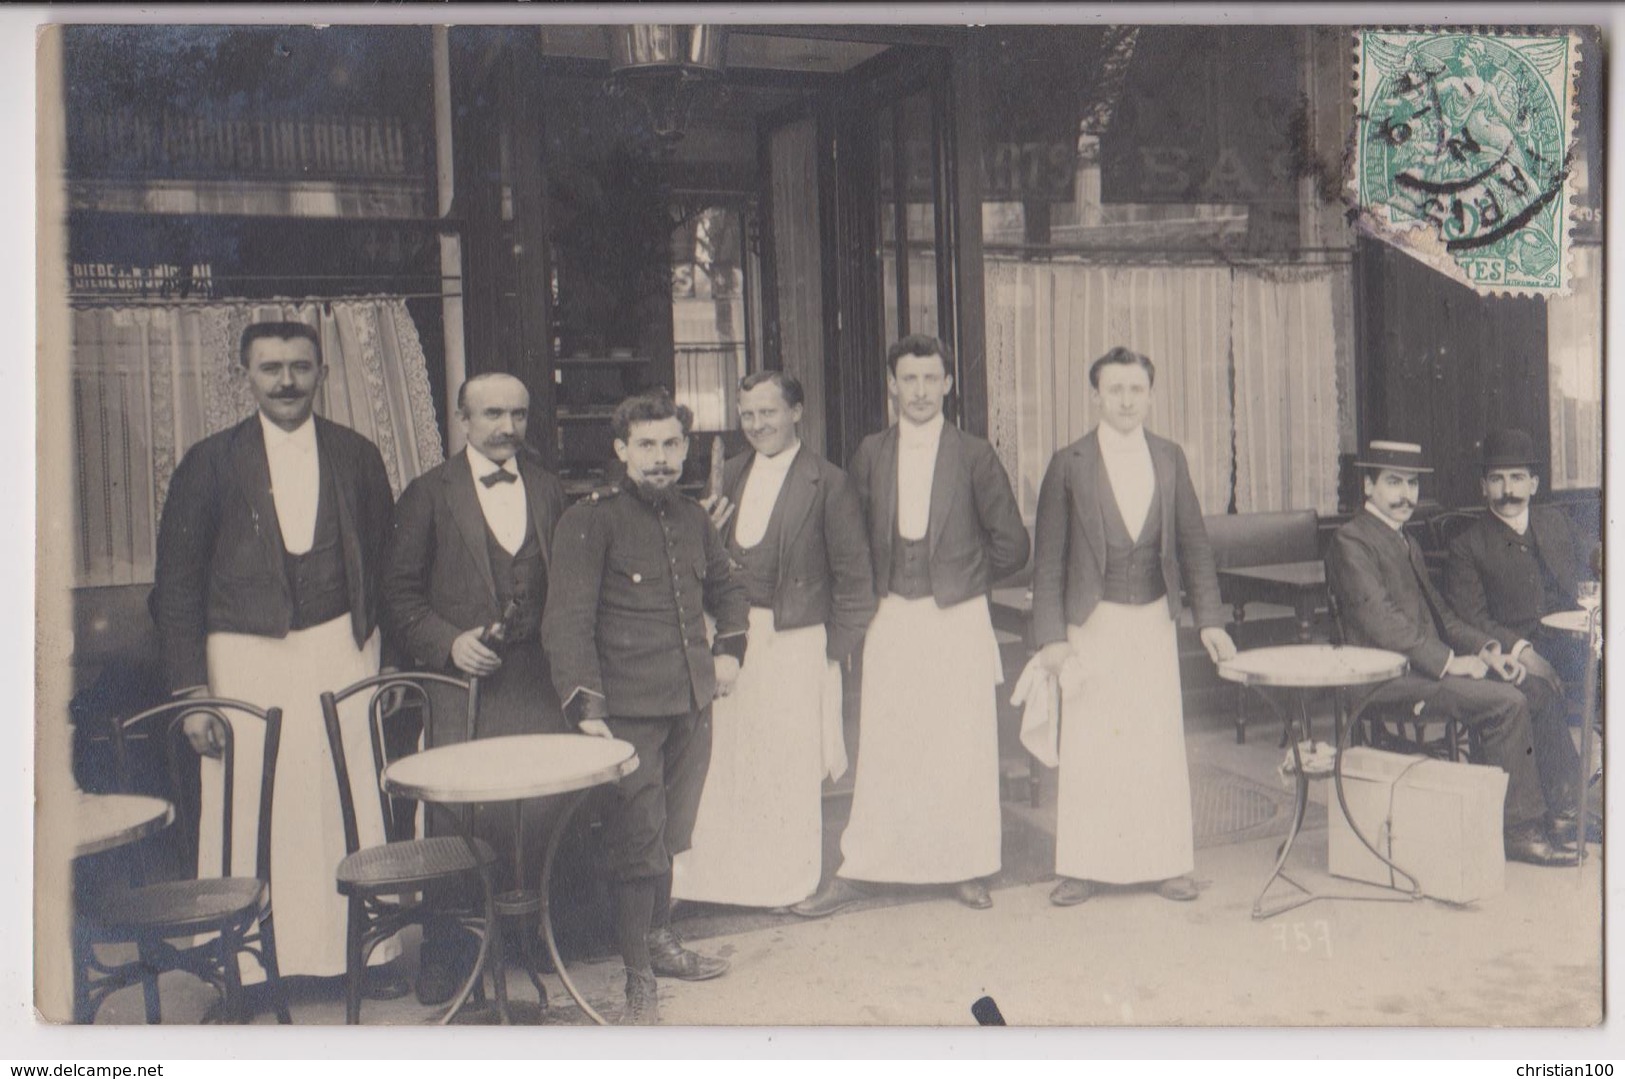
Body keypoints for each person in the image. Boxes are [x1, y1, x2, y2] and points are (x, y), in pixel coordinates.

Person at [149, 321, 406, 996]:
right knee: (250, 801)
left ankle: (361, 954)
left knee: (345, 794)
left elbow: (386, 566)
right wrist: (190, 690)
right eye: (271, 368)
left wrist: (393, 661)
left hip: (342, 646)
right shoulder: (209, 463)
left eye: (299, 366)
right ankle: (250, 965)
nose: (286, 380)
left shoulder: (357, 455)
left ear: (323, 372)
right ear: (247, 375)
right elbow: (174, 585)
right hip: (243, 655)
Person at [793, 334, 1029, 918]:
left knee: (960, 743)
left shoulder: (974, 454)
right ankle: (869, 867)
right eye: (908, 380)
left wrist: (958, 578)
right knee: (889, 742)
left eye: (931, 379)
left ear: (948, 384)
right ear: (892, 387)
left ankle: (966, 866)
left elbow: (1014, 546)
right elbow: (849, 540)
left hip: (955, 620)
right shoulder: (871, 452)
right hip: (891, 616)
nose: (919, 392)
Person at [541, 389, 749, 1024]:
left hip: (690, 704)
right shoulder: (590, 519)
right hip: (627, 714)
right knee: (639, 839)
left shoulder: (693, 519)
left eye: (671, 445)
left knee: (671, 831)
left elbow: (729, 588)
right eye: (648, 446)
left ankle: (661, 941)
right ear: (621, 450)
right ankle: (638, 979)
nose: (661, 458)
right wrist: (587, 710)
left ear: (685, 449)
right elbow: (566, 622)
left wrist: (731, 653)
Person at [380, 372, 568, 1004]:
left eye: (517, 414)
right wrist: (449, 642)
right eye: (491, 414)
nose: (505, 427)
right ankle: (450, 954)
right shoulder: (427, 494)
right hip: (463, 685)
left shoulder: (546, 488)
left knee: (538, 806)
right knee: (458, 814)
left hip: (535, 680)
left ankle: (528, 938)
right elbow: (399, 597)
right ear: (462, 420)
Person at [1027, 347, 1236, 907]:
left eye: (1135, 389)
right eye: (1114, 389)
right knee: (1093, 746)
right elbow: (1047, 559)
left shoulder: (1168, 458)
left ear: (1150, 394)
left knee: (1156, 743)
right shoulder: (1068, 463)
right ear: (1096, 395)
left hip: (1151, 622)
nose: (1125, 400)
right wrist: (1050, 636)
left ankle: (1165, 863)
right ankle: (1083, 867)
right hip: (1091, 625)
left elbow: (1194, 544)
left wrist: (1210, 620)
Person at [671, 371, 876, 909]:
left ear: (796, 412)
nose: (758, 425)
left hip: (795, 639)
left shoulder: (827, 482)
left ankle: (782, 884)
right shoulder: (731, 474)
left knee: (784, 764)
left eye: (769, 412)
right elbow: (700, 564)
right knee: (726, 761)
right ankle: (713, 884)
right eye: (748, 415)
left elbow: (856, 579)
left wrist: (831, 651)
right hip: (734, 636)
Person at [1325, 439, 1577, 866]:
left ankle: (1560, 812)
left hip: (1420, 669)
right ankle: (1518, 828)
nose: (1406, 495)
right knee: (1506, 703)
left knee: (1532, 685)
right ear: (1368, 486)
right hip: (1385, 679)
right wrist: (1449, 662)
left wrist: (1490, 650)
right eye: (1393, 483)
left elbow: (1442, 615)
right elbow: (1383, 623)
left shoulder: (1402, 539)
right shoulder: (1352, 541)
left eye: (1412, 484)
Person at [1443, 427, 1587, 843]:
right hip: (1511, 650)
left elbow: (1597, 561)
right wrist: (1522, 651)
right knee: (1537, 691)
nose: (1508, 490)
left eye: (1518, 478)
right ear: (1483, 486)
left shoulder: (1554, 522)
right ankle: (1564, 808)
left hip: (1569, 640)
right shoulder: (1466, 545)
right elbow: (1470, 618)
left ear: (1534, 483)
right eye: (1497, 479)